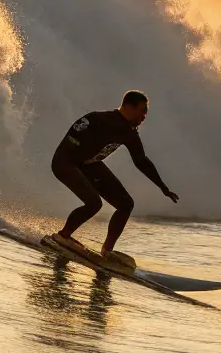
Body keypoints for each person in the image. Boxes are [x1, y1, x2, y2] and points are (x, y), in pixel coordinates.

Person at [48, 90, 178, 266]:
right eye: (142, 110)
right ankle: (63, 236)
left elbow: (141, 161)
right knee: (94, 203)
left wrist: (163, 188)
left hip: (88, 165)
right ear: (128, 107)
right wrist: (81, 159)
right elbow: (72, 137)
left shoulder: (129, 133)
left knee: (126, 204)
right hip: (65, 161)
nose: (144, 116)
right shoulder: (99, 119)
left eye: (146, 112)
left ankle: (107, 251)